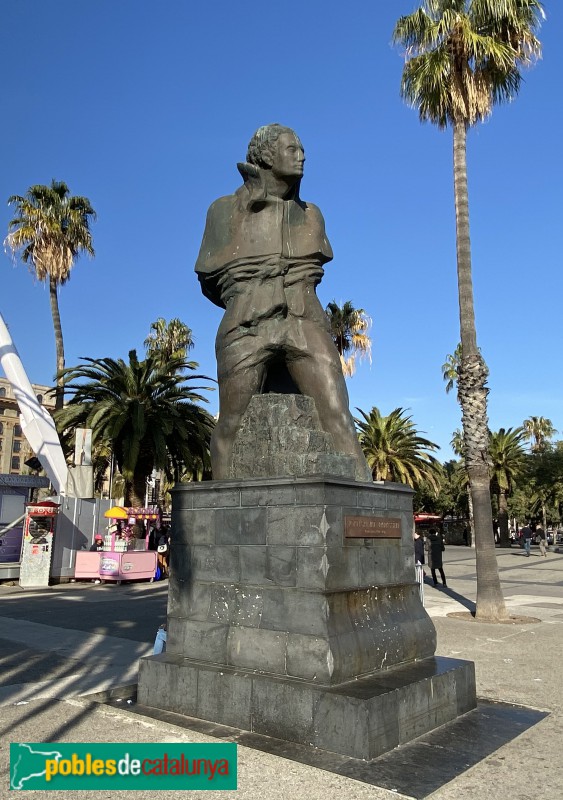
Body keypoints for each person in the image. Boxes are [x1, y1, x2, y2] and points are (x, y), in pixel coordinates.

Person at [195, 123, 371, 482]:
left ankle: (364, 497)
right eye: (292, 149)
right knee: (231, 425)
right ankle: (224, 501)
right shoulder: (223, 211)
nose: (302, 156)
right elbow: (209, 280)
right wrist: (247, 293)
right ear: (266, 155)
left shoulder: (312, 214)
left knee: (338, 415)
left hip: (304, 321)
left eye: (301, 149)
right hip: (246, 324)